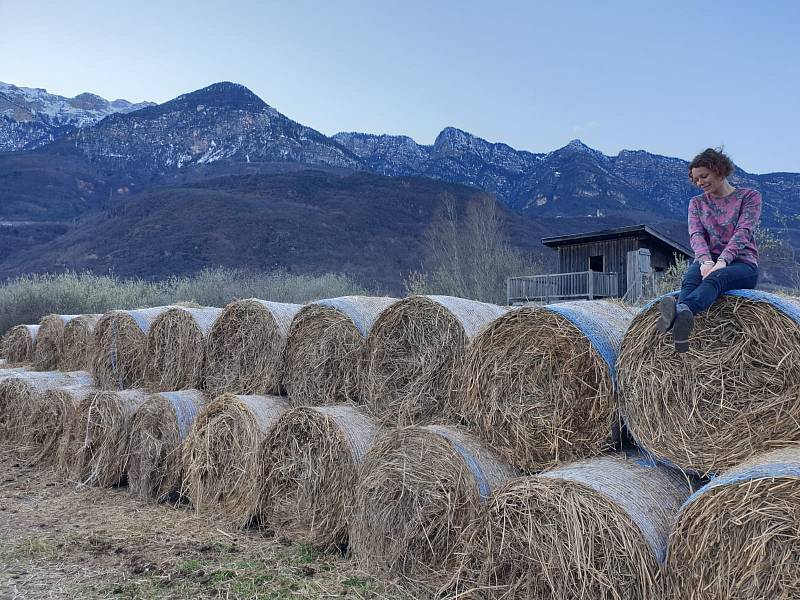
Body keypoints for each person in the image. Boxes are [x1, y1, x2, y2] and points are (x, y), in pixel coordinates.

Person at [656, 148, 761, 352]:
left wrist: (722, 262)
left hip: (742, 264)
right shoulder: (696, 203)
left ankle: (682, 310)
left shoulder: (749, 197)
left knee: (716, 279)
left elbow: (744, 231)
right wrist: (705, 261)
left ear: (720, 170)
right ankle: (681, 333)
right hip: (708, 260)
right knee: (689, 280)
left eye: (704, 176)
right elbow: (696, 235)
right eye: (695, 179)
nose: (700, 183)